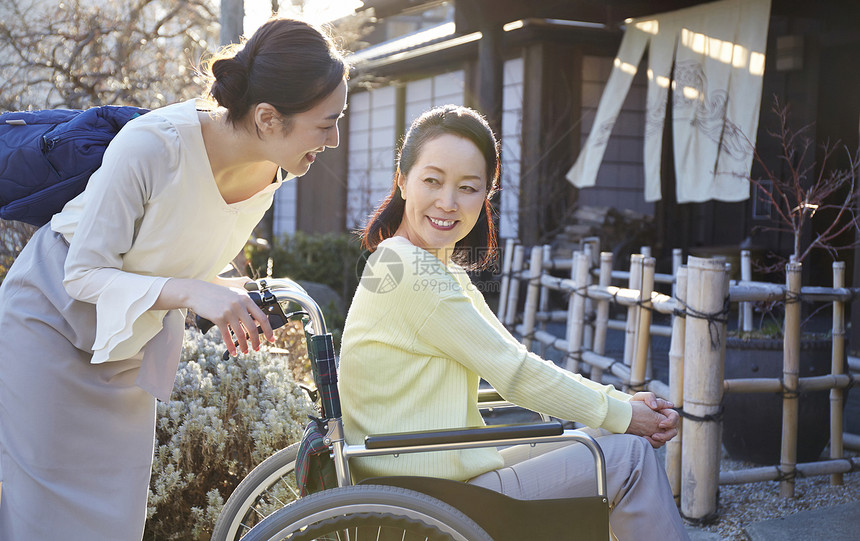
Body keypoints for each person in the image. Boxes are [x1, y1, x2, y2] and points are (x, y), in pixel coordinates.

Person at [0, 18, 348, 540]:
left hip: (124, 348)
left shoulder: (269, 177)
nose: (335, 139)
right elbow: (85, 273)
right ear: (269, 118)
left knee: (114, 520)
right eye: (326, 122)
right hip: (49, 323)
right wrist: (195, 292)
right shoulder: (154, 145)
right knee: (41, 519)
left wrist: (236, 294)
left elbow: (177, 266)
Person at [339, 105, 689, 540]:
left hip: (428, 477)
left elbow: (514, 361)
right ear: (403, 180)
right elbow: (515, 374)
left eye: (468, 188)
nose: (448, 202)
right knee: (629, 456)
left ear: (486, 194)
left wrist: (618, 403)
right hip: (434, 498)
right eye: (432, 180)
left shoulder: (421, 264)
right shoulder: (413, 270)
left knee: (606, 432)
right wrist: (623, 414)